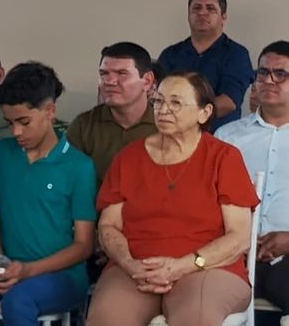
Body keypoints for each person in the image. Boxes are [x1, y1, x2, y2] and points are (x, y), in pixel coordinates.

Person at [86, 71, 259, 326]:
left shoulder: (224, 157)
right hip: (135, 268)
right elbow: (109, 225)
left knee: (196, 318)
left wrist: (182, 266)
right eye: (158, 101)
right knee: (107, 318)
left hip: (208, 268)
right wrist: (129, 263)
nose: (163, 110)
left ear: (204, 113)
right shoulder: (129, 157)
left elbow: (239, 237)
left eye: (176, 103)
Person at [0, 62, 97, 326]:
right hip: (9, 270)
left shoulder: (79, 166)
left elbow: (83, 245)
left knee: (18, 301)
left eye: (24, 122)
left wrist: (27, 271)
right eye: (9, 123)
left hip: (63, 277)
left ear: (50, 111)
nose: (16, 132)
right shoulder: (3, 153)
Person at [216, 41, 289, 314]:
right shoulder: (228, 137)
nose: (269, 80)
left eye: (280, 74)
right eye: (262, 73)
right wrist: (236, 241)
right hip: (233, 255)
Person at [158, 0, 254, 131]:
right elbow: (158, 98)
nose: (202, 13)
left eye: (210, 8)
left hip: (218, 137)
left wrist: (188, 117)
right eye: (196, 8)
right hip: (173, 135)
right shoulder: (170, 54)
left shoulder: (237, 54)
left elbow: (229, 102)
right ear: (188, 16)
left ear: (223, 18)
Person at [67, 42, 157, 186]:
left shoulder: (165, 126)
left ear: (147, 81)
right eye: (104, 74)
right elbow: (67, 180)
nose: (109, 81)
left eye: (122, 73)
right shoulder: (84, 125)